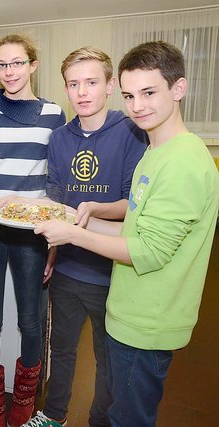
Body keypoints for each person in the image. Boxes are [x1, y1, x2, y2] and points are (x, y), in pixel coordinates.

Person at [34, 41, 219, 427]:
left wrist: (72, 233)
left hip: (148, 320)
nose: (138, 106)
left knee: (126, 414)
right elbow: (135, 223)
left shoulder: (182, 160)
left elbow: (148, 250)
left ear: (178, 89)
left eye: (149, 93)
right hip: (129, 307)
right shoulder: (157, 149)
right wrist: (79, 217)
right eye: (133, 95)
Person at [21, 47, 146, 427]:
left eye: (91, 82)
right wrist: (53, 250)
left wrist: (87, 211)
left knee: (107, 357)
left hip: (111, 269)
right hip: (68, 268)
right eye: (73, 84)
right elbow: (56, 198)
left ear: (110, 85)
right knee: (60, 350)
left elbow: (132, 203)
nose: (82, 91)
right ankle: (54, 416)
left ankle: (99, 421)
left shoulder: (130, 132)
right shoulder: (59, 137)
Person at [0, 34, 66, 427]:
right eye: (2, 65)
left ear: (32, 66)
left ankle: (25, 394)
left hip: (33, 232)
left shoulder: (54, 114)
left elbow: (56, 179)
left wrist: (56, 239)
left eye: (16, 63)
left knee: (30, 319)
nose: (9, 72)